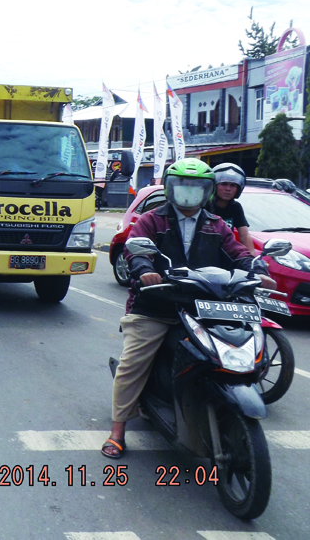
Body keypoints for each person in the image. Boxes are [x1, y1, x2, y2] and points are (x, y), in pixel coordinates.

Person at [101, 158, 274, 459]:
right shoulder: (152, 219)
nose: (189, 193)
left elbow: (237, 253)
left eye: (196, 187)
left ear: (207, 191)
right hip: (157, 303)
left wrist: (256, 269)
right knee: (134, 362)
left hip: (205, 305)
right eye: (183, 186)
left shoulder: (215, 224)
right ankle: (117, 431)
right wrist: (143, 269)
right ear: (170, 188)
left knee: (237, 346)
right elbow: (134, 247)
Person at [207, 163, 254, 253]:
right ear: (214, 185)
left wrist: (252, 259)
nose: (228, 189)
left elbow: (244, 236)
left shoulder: (236, 207)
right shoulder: (204, 206)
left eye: (233, 185)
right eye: (224, 184)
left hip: (227, 254)